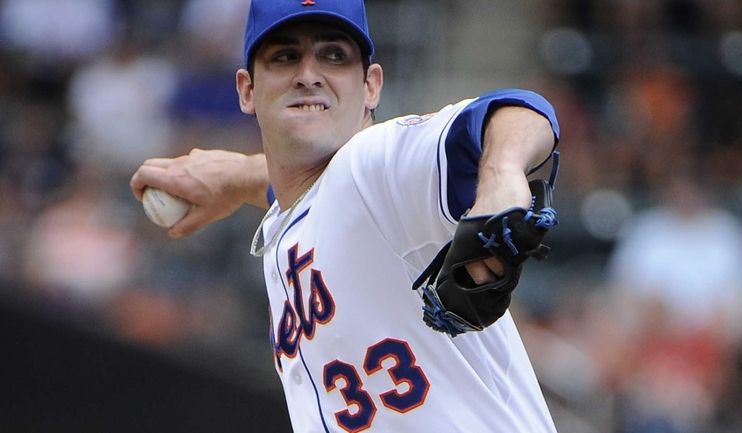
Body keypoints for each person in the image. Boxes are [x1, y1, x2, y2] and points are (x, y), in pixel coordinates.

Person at [131, 1, 561, 432]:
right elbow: (315, 198)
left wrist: (500, 176)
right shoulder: (298, 213)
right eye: (284, 56)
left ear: (371, 86)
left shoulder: (375, 164)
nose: (308, 74)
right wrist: (237, 176)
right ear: (246, 90)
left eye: (334, 55)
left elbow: (519, 111)